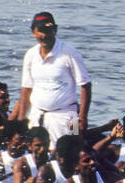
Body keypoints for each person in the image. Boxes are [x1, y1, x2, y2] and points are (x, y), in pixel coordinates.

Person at [11, 12, 91, 146]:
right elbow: (26, 89)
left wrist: (83, 117)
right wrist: (21, 120)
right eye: (41, 31)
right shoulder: (30, 55)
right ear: (33, 32)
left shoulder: (70, 52)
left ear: (55, 30)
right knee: (35, 153)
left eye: (49, 30)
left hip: (69, 114)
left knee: (73, 150)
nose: (45, 35)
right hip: (36, 114)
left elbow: (86, 86)